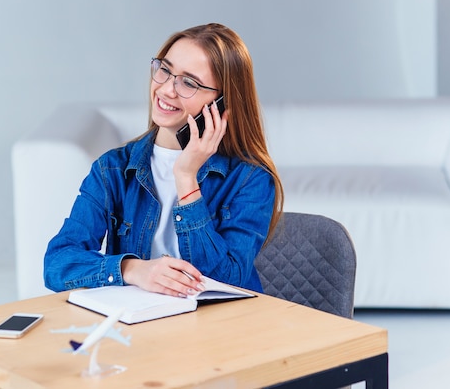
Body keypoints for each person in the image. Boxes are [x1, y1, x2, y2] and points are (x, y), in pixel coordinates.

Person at [44, 23, 283, 297]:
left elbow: (226, 282)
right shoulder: (112, 170)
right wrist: (133, 270)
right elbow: (57, 263)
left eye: (189, 83)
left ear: (221, 104)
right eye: (165, 70)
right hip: (139, 327)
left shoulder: (250, 180)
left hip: (219, 331)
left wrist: (186, 178)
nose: (167, 89)